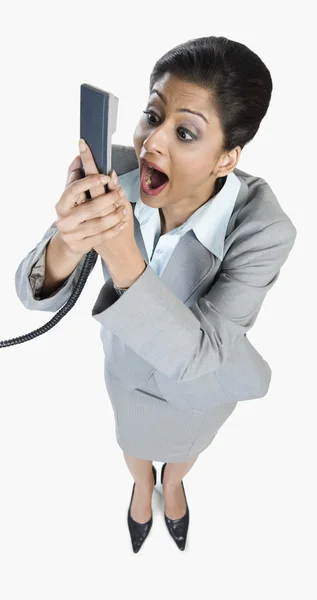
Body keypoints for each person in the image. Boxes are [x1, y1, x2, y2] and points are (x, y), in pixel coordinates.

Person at [15, 35, 297, 553]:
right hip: (126, 366)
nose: (151, 143)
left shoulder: (266, 228)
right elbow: (34, 293)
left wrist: (122, 254)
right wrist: (67, 242)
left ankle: (173, 486)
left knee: (184, 451)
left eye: (185, 132)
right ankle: (142, 488)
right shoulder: (116, 171)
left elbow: (200, 355)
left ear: (226, 159)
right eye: (152, 114)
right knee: (132, 442)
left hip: (202, 388)